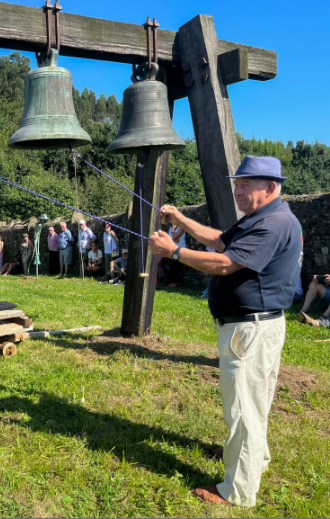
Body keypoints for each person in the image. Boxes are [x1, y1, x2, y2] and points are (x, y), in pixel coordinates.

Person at [150, 155, 302, 507]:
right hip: (250, 328)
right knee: (252, 401)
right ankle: (252, 458)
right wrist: (181, 220)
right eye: (236, 183)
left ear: (271, 187)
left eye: (246, 184)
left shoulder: (275, 222)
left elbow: (225, 263)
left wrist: (174, 251)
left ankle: (238, 492)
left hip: (251, 330)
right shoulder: (260, 216)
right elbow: (220, 240)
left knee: (244, 409)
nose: (237, 190)